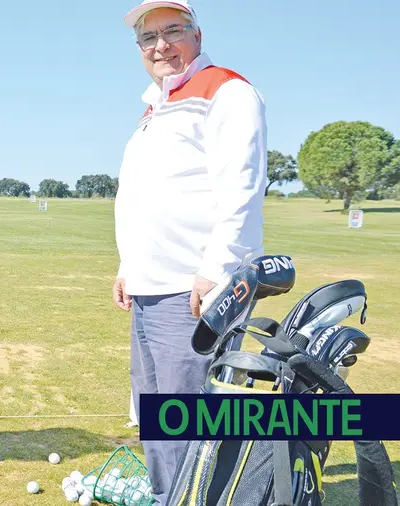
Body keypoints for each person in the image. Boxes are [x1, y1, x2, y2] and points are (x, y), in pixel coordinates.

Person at [112, 1, 267, 503]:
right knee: (156, 408)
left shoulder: (227, 91)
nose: (160, 46)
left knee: (190, 413)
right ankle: (167, 496)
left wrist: (217, 270)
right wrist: (128, 266)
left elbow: (241, 188)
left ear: (197, 35)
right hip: (151, 286)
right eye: (147, 38)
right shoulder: (155, 105)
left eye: (172, 31)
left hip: (192, 288)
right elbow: (150, 194)